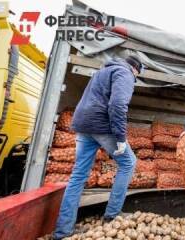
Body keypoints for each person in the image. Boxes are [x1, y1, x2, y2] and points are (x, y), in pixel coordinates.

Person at [53, 56, 143, 239]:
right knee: (128, 163)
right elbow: (118, 105)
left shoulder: (103, 71)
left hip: (83, 125)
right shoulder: (125, 73)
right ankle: (112, 215)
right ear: (135, 69)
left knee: (78, 175)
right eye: (137, 75)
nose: (135, 78)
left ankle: (63, 231)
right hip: (101, 125)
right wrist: (120, 137)